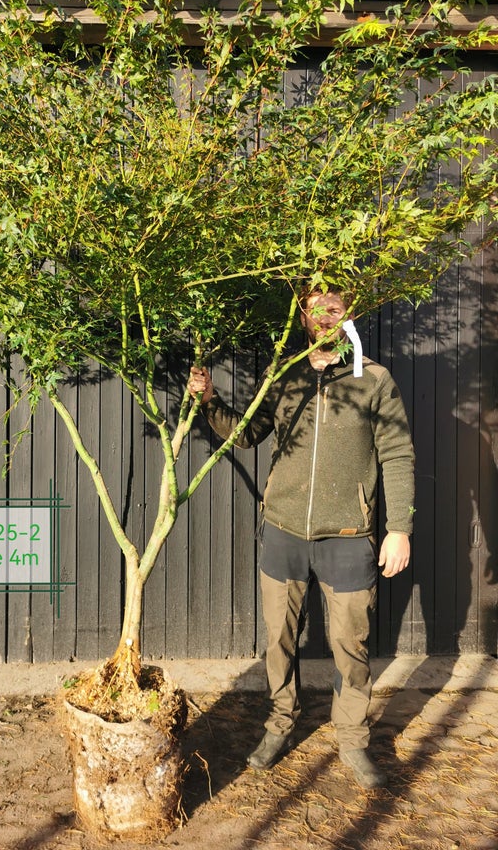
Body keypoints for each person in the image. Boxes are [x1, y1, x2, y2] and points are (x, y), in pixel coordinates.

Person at [187, 288, 414, 789]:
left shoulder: (373, 379)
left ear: (349, 314)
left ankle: (353, 740)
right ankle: (280, 724)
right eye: (316, 307)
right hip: (284, 530)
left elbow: (397, 456)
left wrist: (399, 529)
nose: (326, 315)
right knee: (279, 640)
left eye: (335, 307)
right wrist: (207, 399)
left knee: (349, 645)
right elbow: (247, 433)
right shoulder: (284, 375)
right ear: (305, 317)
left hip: (349, 537)